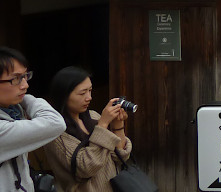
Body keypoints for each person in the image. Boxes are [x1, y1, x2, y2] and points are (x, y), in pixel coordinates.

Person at [44, 67, 132, 192]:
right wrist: (103, 124)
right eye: (82, 93)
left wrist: (118, 124)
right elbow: (85, 168)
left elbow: (120, 157)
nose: (89, 97)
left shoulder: (93, 116)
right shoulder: (55, 132)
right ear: (63, 95)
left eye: (90, 90)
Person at [0, 47, 66, 192]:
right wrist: (26, 99)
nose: (25, 85)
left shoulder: (13, 112)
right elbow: (56, 123)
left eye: (25, 76)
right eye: (16, 78)